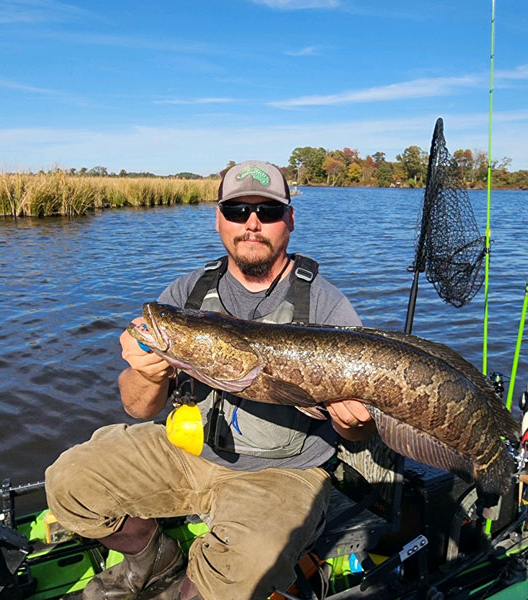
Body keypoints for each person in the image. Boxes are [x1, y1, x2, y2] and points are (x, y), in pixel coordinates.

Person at [45, 160, 374, 600]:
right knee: (69, 481)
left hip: (282, 473)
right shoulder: (189, 293)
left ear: (290, 220)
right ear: (218, 219)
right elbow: (137, 408)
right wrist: (148, 373)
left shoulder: (326, 304)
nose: (252, 223)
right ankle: (151, 558)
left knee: (244, 569)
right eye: (237, 210)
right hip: (187, 451)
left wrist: (354, 424)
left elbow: (360, 431)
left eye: (268, 211)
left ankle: (196, 585)